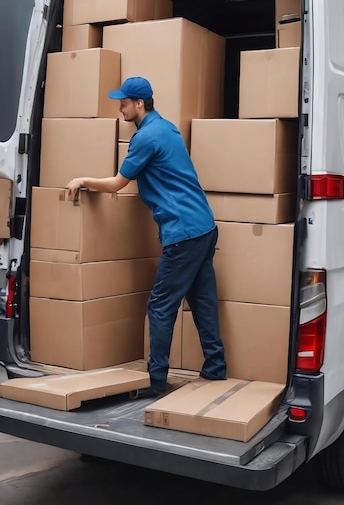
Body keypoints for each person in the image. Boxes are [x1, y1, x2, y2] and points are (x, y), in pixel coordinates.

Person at [67, 76, 227, 398]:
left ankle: (155, 382)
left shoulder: (145, 139)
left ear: (139, 104)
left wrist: (82, 179)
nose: (120, 108)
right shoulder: (166, 128)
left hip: (183, 232)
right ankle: (216, 367)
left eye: (124, 103)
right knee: (202, 300)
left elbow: (116, 184)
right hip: (205, 227)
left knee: (160, 305)